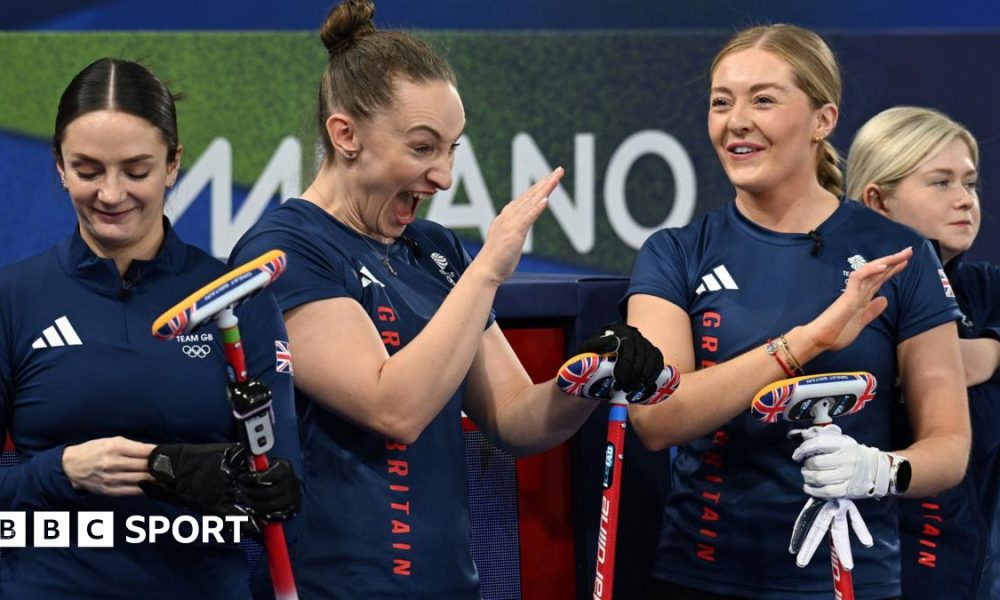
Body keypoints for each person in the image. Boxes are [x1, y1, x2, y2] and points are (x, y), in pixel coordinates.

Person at [228, 1, 662, 598]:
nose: (445, 176)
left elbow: (513, 417)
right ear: (345, 134)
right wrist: (488, 269)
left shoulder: (434, 248)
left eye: (453, 147)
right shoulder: (282, 253)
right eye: (423, 147)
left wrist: (588, 378)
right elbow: (393, 409)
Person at [623, 25, 971, 599]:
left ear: (822, 120)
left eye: (763, 99)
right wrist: (805, 343)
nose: (736, 120)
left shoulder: (898, 253)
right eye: (720, 101)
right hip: (700, 575)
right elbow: (658, 420)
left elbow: (950, 444)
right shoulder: (676, 251)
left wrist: (879, 471)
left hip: (853, 580)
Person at [0, 58, 300, 599]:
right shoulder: (13, 299)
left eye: (136, 170)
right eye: (88, 170)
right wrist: (61, 470)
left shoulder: (238, 300)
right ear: (59, 167)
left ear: (172, 164)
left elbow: (283, 486)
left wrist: (221, 476)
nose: (111, 195)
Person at [847, 106, 1000, 600]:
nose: (965, 201)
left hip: (979, 573)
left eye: (970, 184)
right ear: (878, 201)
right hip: (881, 569)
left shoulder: (986, 287)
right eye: (941, 183)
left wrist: (992, 351)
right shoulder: (844, 299)